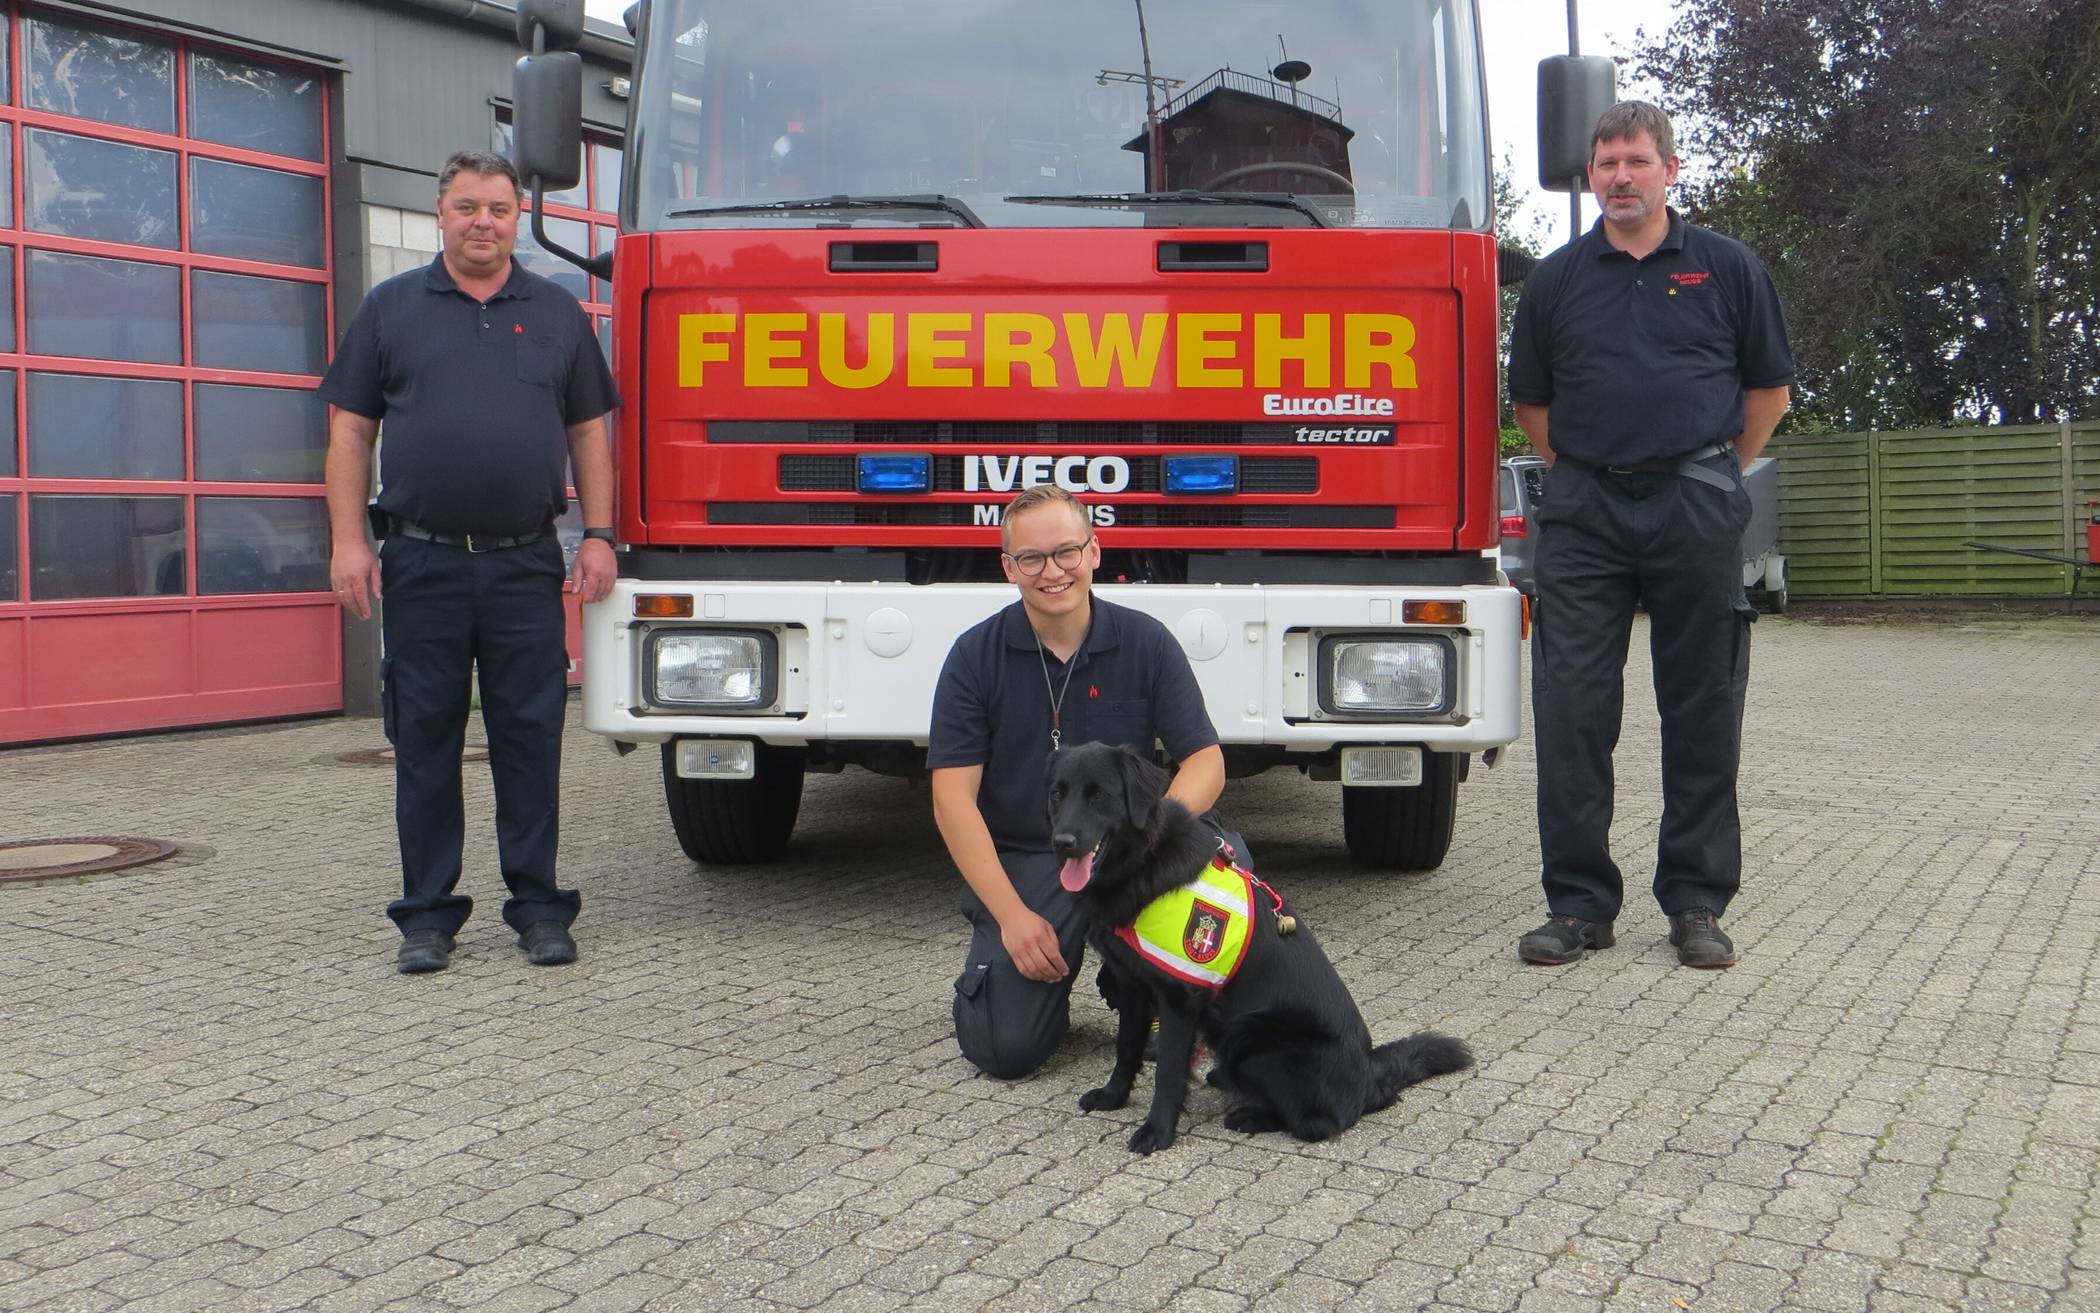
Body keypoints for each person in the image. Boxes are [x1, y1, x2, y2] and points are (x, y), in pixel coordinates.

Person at [1505, 102, 1794, 970]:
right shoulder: (1556, 281)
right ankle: (1581, 905)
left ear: (1670, 168)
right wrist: (1598, 471)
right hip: (1586, 512)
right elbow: (1532, 407)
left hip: (1695, 506)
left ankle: (1698, 901)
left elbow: (1767, 393)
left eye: (1636, 160)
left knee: (1702, 705)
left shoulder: (1727, 268)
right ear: (1588, 177)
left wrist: (1703, 470)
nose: (1620, 177)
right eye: (1605, 164)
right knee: (1571, 711)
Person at [321, 150, 619, 975]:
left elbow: (589, 433)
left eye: (497, 207)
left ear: (518, 215)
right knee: (423, 738)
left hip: (526, 564)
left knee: (531, 737)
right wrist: (349, 540)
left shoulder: (560, 313)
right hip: (422, 561)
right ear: (440, 212)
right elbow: (351, 431)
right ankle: (427, 915)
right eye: (466, 207)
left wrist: (599, 533)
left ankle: (538, 907)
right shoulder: (390, 310)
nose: (481, 221)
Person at [928, 486, 1246, 1077]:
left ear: (1095, 552)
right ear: (1008, 568)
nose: (1052, 571)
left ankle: (1149, 988)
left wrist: (1155, 836)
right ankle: (1089, 970)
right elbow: (952, 800)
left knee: (1226, 865)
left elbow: (1206, 762)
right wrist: (1011, 918)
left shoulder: (1146, 641)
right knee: (1005, 1050)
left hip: (1131, 849)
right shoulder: (975, 656)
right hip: (1034, 858)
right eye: (1031, 558)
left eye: (1067, 552)